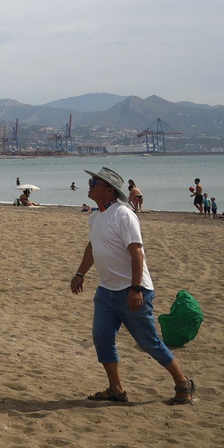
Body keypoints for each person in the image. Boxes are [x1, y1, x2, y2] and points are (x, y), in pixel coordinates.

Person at [70, 166, 195, 405]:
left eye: (95, 182)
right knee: (102, 337)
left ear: (109, 190)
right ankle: (115, 389)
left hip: (132, 291)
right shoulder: (96, 216)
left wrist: (136, 289)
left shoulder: (123, 214)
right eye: (91, 181)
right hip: (106, 291)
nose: (90, 185)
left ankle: (183, 382)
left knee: (148, 342)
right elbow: (92, 247)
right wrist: (80, 273)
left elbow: (137, 253)